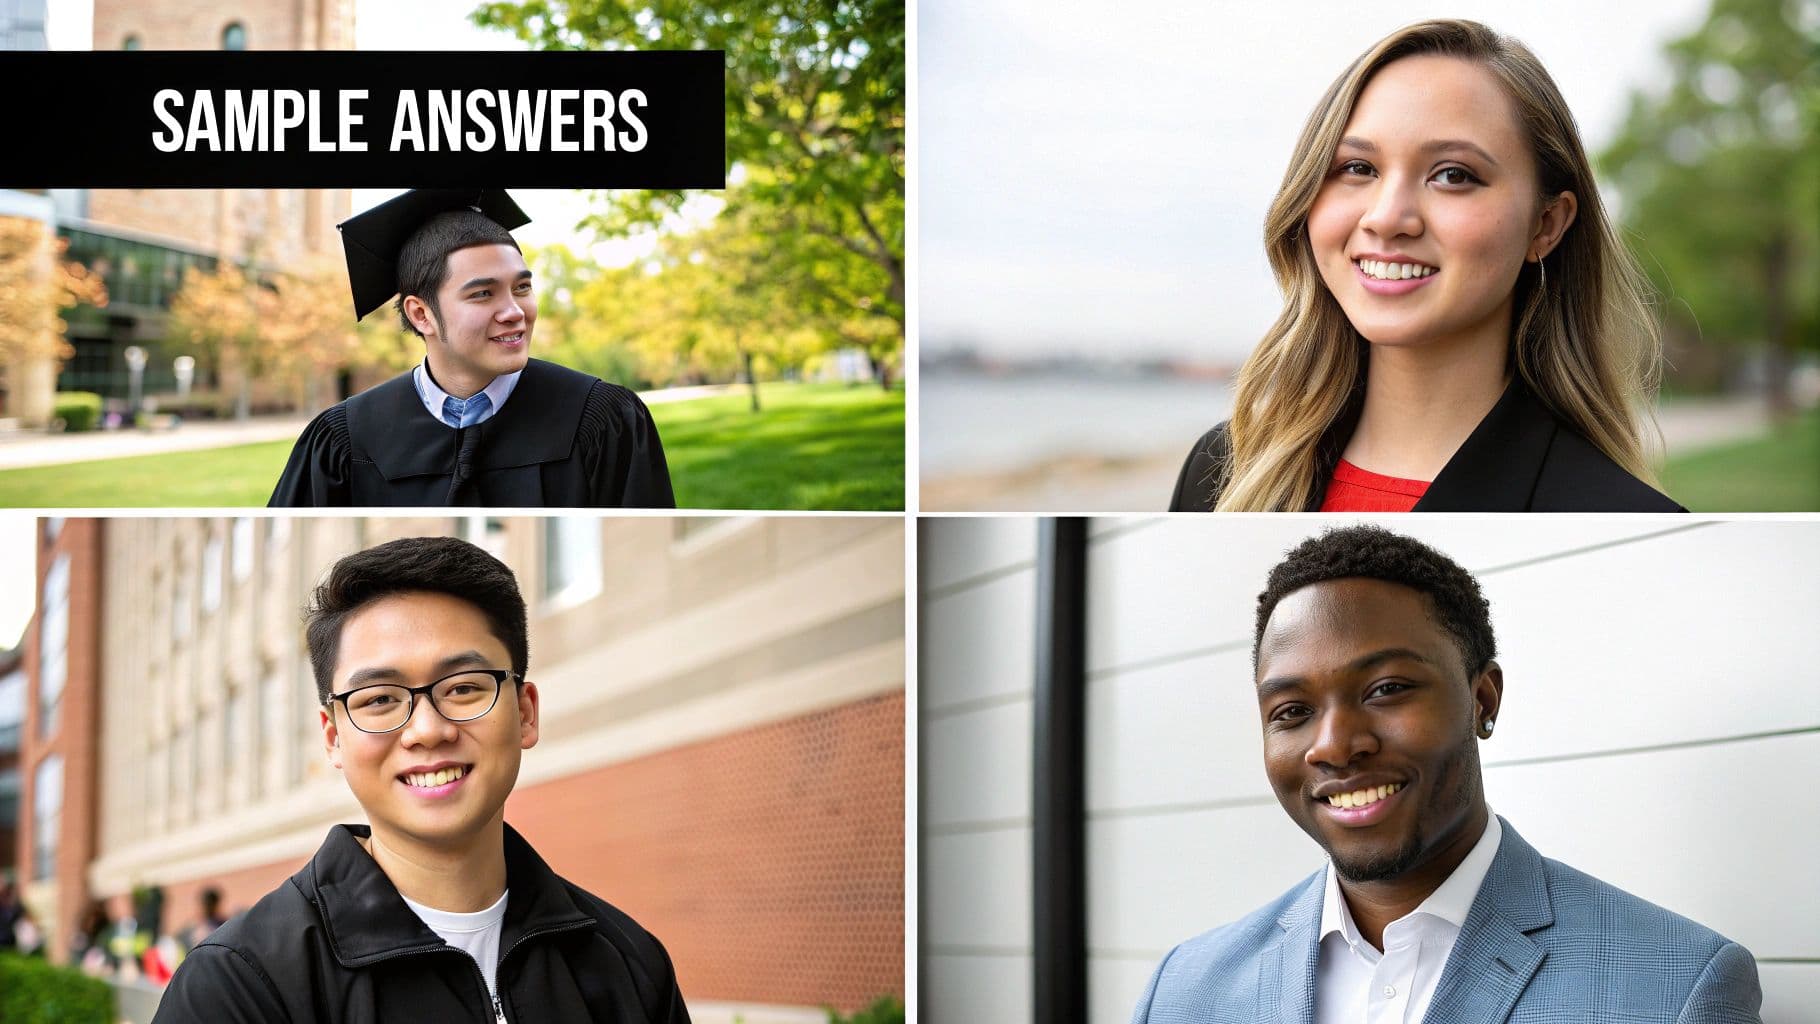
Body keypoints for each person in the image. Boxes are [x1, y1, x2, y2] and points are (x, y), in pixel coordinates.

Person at [1131, 525, 1760, 1022]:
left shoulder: (1679, 989)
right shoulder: (1182, 992)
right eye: (1292, 711)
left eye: (1387, 689)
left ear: (1482, 699)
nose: (1336, 746)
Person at [152, 536, 688, 1023]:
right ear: (333, 737)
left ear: (525, 713)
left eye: (463, 688)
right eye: (380, 699)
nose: (428, 730)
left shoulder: (630, 965)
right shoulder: (240, 986)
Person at [1170, 21, 1681, 512]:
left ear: (1546, 224)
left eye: (1453, 175)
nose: (1387, 218)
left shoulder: (1617, 512)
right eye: (1357, 168)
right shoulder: (1218, 475)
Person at [269, 189, 676, 508]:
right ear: (421, 315)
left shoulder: (601, 419)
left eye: (522, 287)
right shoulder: (345, 441)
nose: (514, 312)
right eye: (483, 294)